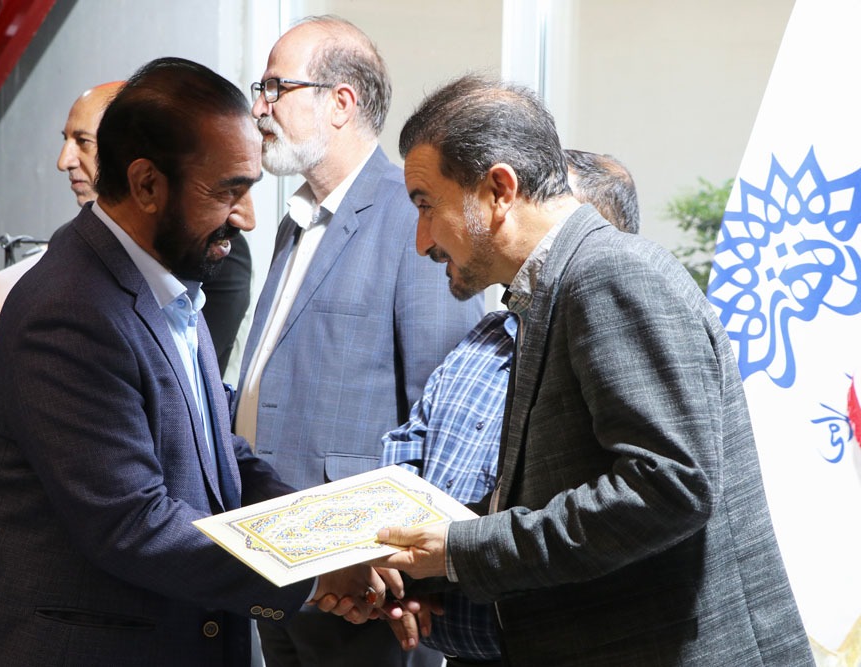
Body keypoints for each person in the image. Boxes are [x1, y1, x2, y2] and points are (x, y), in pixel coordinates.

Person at [0, 57, 395, 667]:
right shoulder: (70, 311)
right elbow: (131, 523)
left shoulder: (168, 282)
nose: (248, 217)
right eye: (228, 191)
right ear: (147, 185)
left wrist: (324, 538)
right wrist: (312, 578)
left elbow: (218, 454)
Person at [375, 75, 813, 666]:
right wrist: (434, 570)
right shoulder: (551, 291)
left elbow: (669, 489)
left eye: (426, 205)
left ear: (499, 189)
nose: (422, 239)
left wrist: (461, 551)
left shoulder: (609, 275)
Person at [234, 15, 484, 667]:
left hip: (367, 582)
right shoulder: (295, 221)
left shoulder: (412, 215)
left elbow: (449, 418)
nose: (259, 107)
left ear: (340, 102)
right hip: (280, 563)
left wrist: (417, 572)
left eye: (275, 87)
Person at [380, 150, 642, 664]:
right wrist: (404, 569)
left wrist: (458, 555)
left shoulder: (609, 337)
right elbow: (409, 443)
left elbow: (630, 502)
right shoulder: (487, 333)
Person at [57, 81, 253, 372]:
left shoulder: (211, 245)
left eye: (83, 141)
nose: (64, 161)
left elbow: (187, 371)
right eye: (66, 140)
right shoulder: (68, 241)